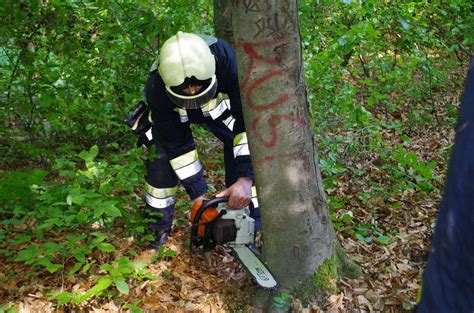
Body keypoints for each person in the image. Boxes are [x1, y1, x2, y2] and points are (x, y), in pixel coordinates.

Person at [125, 32, 260, 248]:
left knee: (243, 152)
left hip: (219, 109)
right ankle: (156, 230)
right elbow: (178, 146)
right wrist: (199, 197)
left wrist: (245, 179)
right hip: (174, 115)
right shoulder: (157, 88)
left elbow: (247, 123)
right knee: (161, 162)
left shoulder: (227, 61)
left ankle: (248, 227)